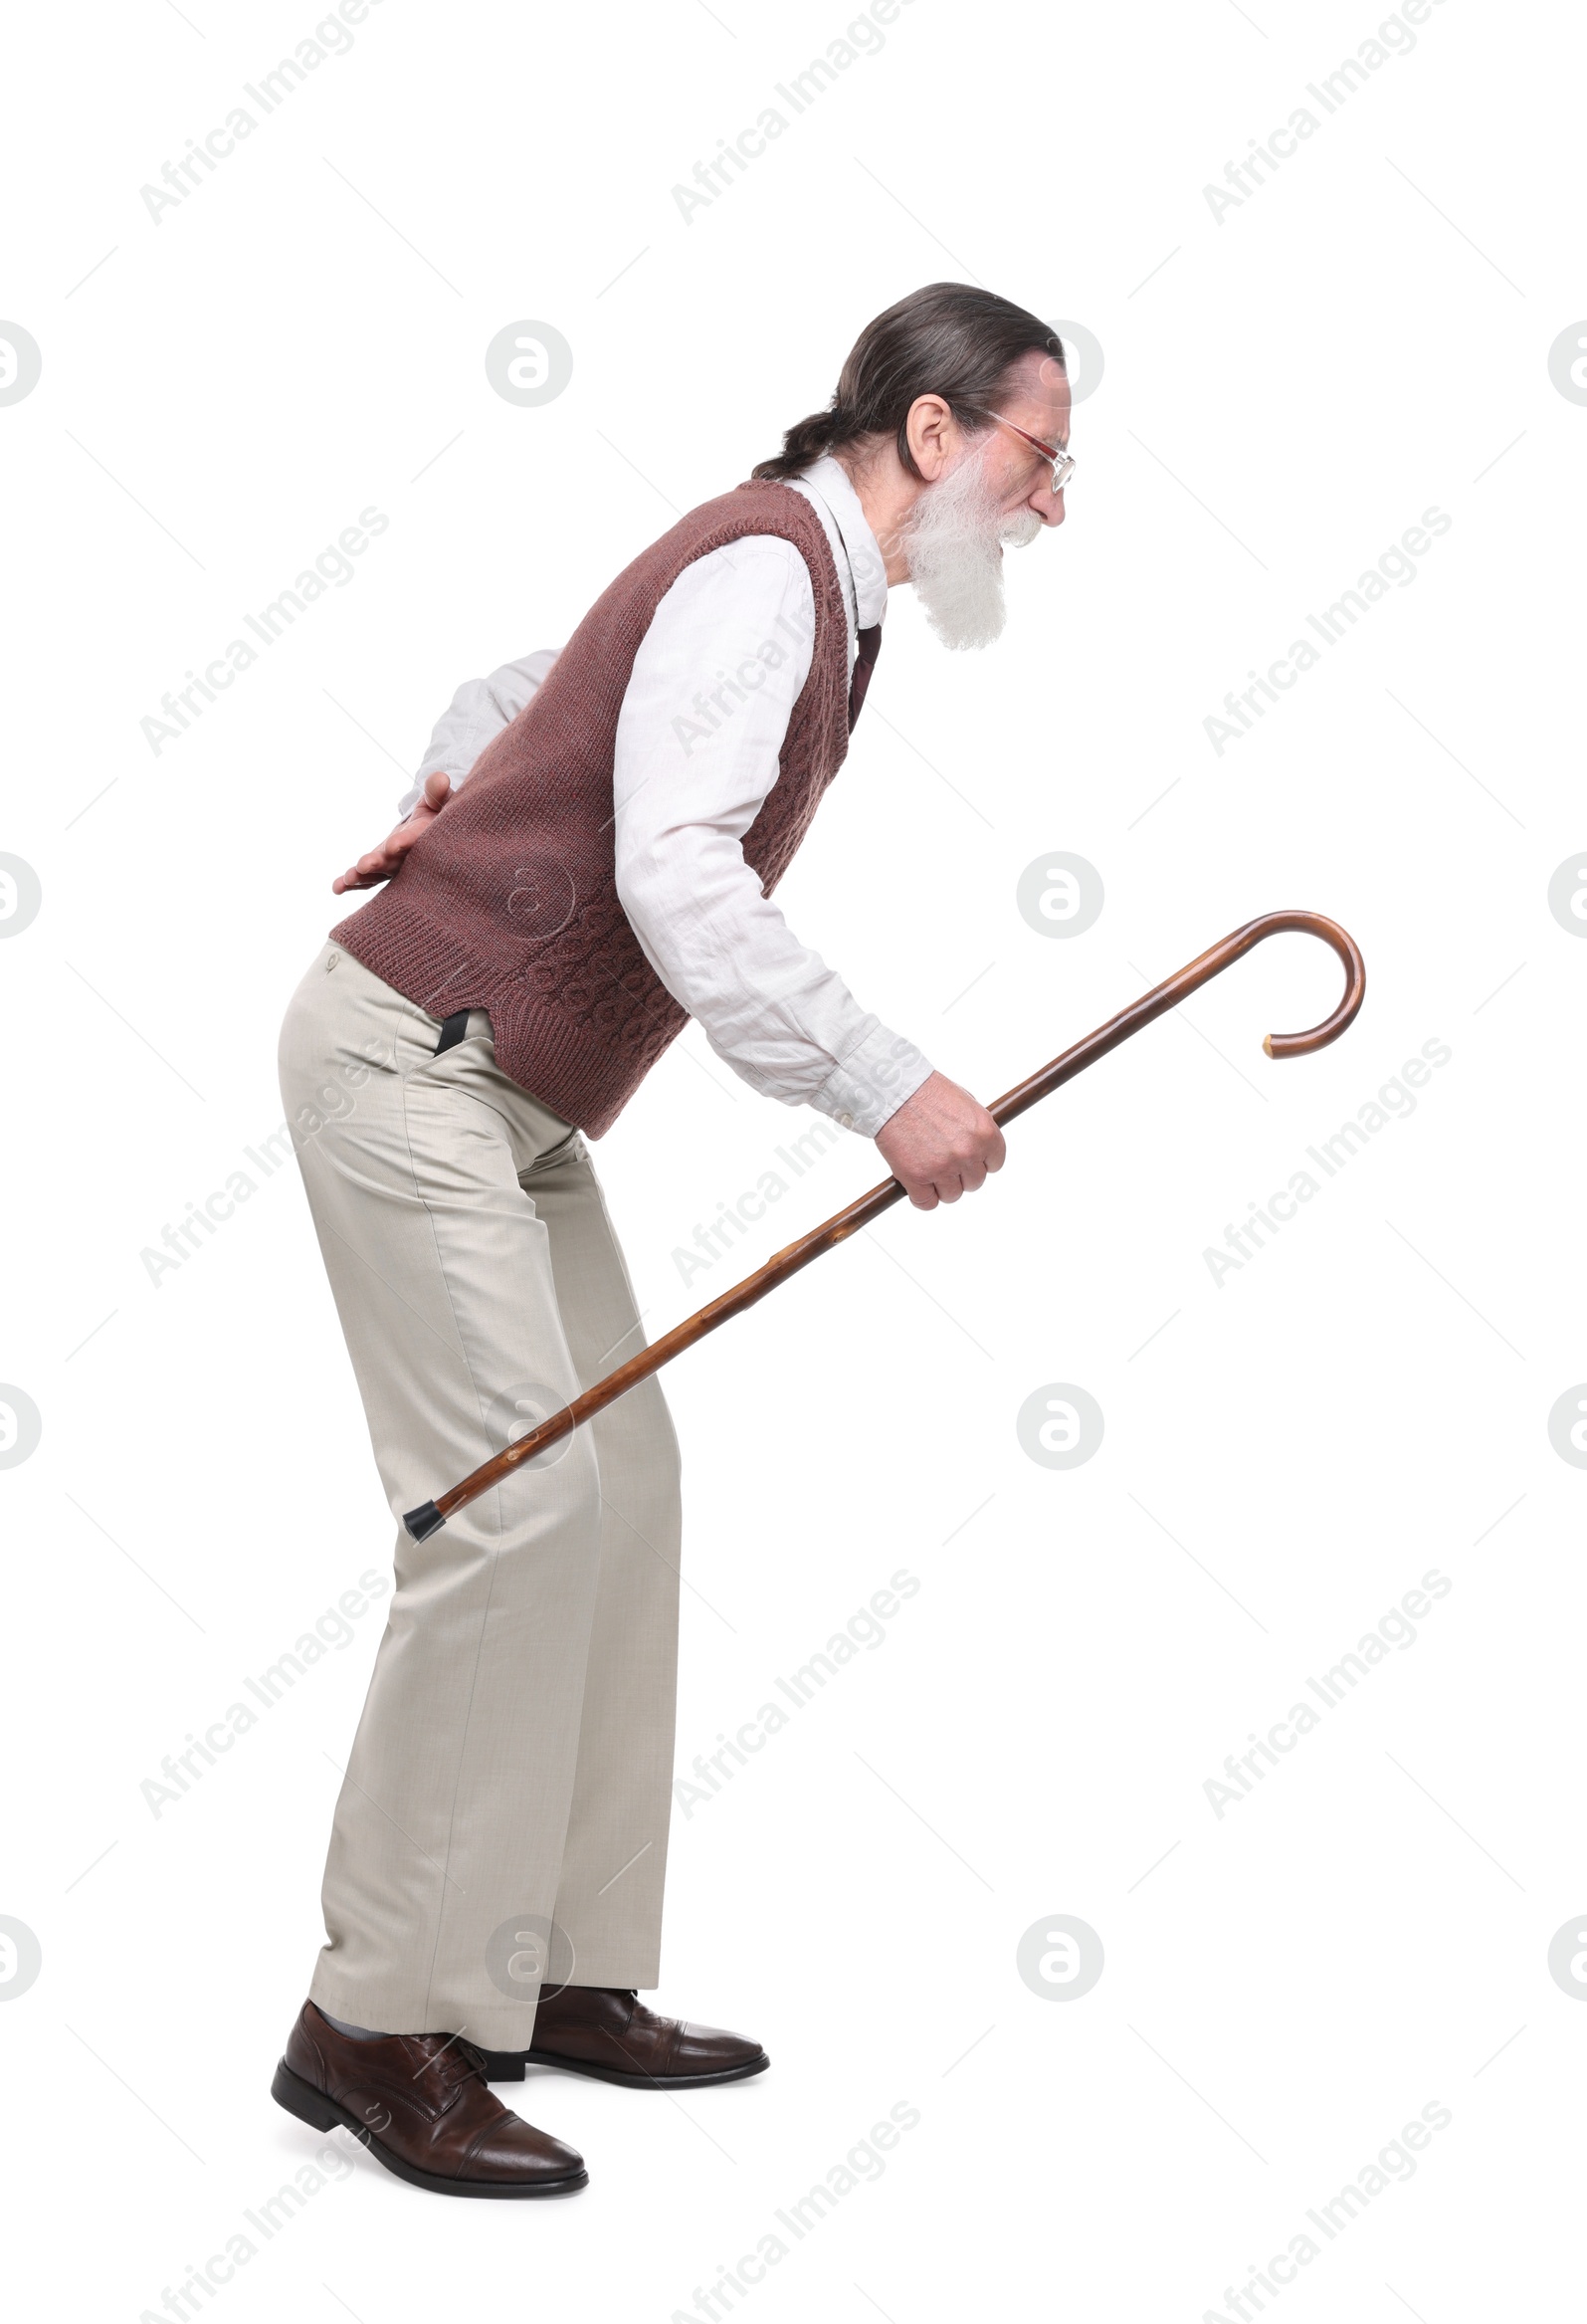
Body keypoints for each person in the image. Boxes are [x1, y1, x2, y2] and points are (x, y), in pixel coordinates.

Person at [272, 282, 1072, 2198]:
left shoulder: (801, 584)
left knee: (617, 1478)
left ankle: (543, 1977)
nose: (1056, 508)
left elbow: (525, 689)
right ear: (939, 434)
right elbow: (675, 867)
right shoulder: (777, 573)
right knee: (514, 1506)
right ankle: (376, 2018)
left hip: (508, 1097)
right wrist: (886, 1082)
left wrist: (446, 782)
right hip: (413, 1067)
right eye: (1045, 456)